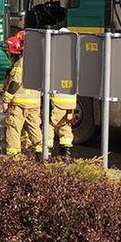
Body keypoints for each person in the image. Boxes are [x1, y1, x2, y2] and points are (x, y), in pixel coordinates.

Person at [2, 32, 42, 161]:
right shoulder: (39, 61)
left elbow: (15, 82)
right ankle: (41, 155)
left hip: (19, 103)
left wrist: (6, 100)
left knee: (13, 129)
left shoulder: (21, 63)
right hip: (35, 102)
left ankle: (14, 158)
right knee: (35, 129)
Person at [50, 26, 77, 162]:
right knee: (66, 129)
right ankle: (66, 155)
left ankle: (46, 154)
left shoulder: (54, 56)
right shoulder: (74, 57)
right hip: (71, 103)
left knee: (48, 127)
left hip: (56, 101)